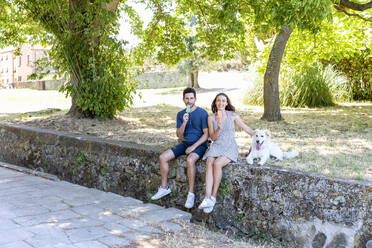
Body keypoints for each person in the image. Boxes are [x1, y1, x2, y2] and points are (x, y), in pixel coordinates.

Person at [151, 87, 209, 209]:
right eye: (187, 98)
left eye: (191, 98)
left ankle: (191, 194)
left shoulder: (203, 113)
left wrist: (193, 147)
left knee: (190, 160)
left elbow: (206, 134)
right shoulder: (180, 114)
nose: (189, 101)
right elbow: (178, 135)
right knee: (163, 157)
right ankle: (164, 188)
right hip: (185, 143)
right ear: (183, 100)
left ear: (195, 99)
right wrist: (184, 122)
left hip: (199, 145)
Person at [198, 93, 254, 213]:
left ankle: (213, 197)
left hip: (229, 147)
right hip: (217, 146)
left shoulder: (233, 115)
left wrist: (258, 134)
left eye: (223, 101)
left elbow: (247, 129)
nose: (221, 103)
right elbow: (212, 138)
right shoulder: (211, 118)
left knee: (217, 164)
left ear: (227, 103)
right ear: (215, 102)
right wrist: (219, 127)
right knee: (209, 161)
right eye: (219, 100)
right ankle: (206, 198)